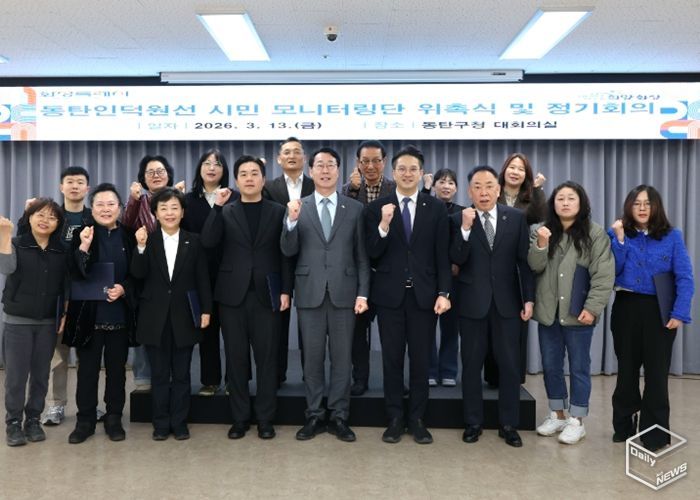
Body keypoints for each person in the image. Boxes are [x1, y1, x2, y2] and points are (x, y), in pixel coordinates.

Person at [281, 147, 370, 442]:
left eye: (331, 165)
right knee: (312, 359)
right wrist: (291, 221)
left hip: (345, 293)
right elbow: (288, 250)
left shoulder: (354, 208)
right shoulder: (298, 206)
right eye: (319, 165)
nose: (325, 170)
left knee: (343, 359)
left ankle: (339, 416)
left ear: (338, 170)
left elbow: (362, 257)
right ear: (310, 171)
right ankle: (314, 415)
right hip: (310, 292)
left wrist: (363, 293)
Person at [365, 145, 451, 445]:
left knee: (420, 360)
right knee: (391, 360)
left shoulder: (436, 208)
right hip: (389, 297)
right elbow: (371, 253)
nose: (407, 173)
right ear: (393, 172)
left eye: (413, 168)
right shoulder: (377, 208)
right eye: (401, 168)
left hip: (424, 298)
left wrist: (444, 292)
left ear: (421, 173)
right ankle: (394, 418)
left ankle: (417, 419)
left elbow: (442, 256)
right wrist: (384, 225)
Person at [201, 156, 292, 440]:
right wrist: (216, 207)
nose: (249, 178)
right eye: (243, 174)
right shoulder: (226, 210)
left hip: (268, 294)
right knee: (236, 359)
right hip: (232, 296)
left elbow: (285, 255)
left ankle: (265, 419)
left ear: (264, 179)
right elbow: (208, 241)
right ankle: (239, 418)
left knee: (267, 360)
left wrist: (286, 290)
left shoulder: (278, 211)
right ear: (236, 180)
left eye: (255, 173)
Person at [450, 165, 534, 448]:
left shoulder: (516, 218)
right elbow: (455, 260)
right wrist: (464, 230)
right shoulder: (457, 219)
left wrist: (528, 298)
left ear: (498, 190)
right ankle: (473, 422)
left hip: (508, 304)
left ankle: (509, 424)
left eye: (489, 186)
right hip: (471, 304)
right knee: (471, 365)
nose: (483, 192)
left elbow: (523, 262)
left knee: (509, 366)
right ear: (469, 191)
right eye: (477, 186)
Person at [528, 181, 614, 444]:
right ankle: (557, 414)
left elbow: (603, 274)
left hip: (579, 313)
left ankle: (577, 419)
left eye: (571, 198)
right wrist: (541, 244)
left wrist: (592, 307)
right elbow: (534, 266)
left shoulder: (595, 233)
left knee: (579, 367)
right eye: (560, 198)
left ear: (581, 203)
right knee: (551, 366)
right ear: (553, 203)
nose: (565, 203)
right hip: (548, 313)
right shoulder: (540, 230)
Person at [609, 185, 694, 451]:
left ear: (656, 207)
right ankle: (623, 426)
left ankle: (654, 434)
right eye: (637, 203)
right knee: (626, 371)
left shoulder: (672, 236)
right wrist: (620, 240)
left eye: (647, 203)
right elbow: (612, 272)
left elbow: (685, 277)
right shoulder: (618, 234)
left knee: (657, 375)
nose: (642, 208)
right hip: (626, 307)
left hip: (660, 311)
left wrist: (679, 313)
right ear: (629, 207)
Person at [131, 188, 212, 441]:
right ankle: (160, 423)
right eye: (163, 208)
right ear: (155, 213)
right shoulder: (148, 240)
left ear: (183, 212)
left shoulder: (194, 241)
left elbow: (203, 279)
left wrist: (206, 310)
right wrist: (140, 247)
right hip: (154, 317)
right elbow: (137, 274)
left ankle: (179, 423)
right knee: (158, 374)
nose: (169, 213)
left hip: (184, 316)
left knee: (181, 374)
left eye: (174, 208)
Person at [17, 166, 93, 426]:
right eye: (69, 181)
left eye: (80, 182)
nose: (75, 186)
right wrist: (26, 215)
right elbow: (25, 241)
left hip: (85, 294)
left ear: (87, 188)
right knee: (57, 355)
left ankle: (88, 406)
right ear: (61, 187)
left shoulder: (93, 217)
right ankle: (56, 405)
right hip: (54, 294)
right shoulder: (50, 215)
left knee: (87, 355)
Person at [64, 183, 137, 444]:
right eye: (100, 204)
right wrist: (83, 247)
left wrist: (124, 288)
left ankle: (113, 418)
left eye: (111, 204)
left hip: (119, 315)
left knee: (117, 372)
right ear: (91, 208)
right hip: (89, 317)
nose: (106, 209)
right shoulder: (81, 233)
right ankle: (84, 421)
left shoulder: (129, 235)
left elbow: (139, 273)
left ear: (120, 208)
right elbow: (74, 273)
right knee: (87, 372)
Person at [1, 199, 67, 447]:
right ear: (29, 218)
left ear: (58, 223)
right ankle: (13, 423)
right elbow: (6, 268)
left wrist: (64, 313)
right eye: (40, 215)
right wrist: (5, 235)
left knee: (41, 375)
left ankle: (33, 420)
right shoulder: (17, 243)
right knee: (16, 377)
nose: (45, 220)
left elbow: (65, 285)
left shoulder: (61, 251)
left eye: (52, 217)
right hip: (17, 321)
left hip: (48, 322)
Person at [485, 153, 547, 388]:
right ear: (504, 170)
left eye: (521, 169)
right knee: (491, 327)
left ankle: (514, 377)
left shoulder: (532, 197)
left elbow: (541, 219)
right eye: (512, 167)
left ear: (526, 175)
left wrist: (537, 190)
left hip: (519, 269)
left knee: (515, 328)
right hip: (492, 267)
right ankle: (493, 377)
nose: (515, 172)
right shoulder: (492, 191)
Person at [122, 155, 183, 392]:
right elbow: (126, 223)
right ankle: (143, 376)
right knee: (145, 325)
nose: (156, 175)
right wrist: (134, 200)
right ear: (143, 178)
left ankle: (174, 374)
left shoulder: (179, 198)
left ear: (168, 174)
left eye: (160, 171)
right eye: (150, 172)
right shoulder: (139, 201)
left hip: (176, 274)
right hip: (146, 272)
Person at [182, 149, 239, 397]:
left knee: (234, 332)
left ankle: (234, 381)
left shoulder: (235, 197)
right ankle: (210, 380)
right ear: (199, 169)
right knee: (207, 331)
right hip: (200, 274)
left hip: (231, 273)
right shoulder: (187, 200)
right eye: (206, 163)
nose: (212, 168)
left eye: (217, 164)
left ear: (224, 170)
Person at [341, 140, 396, 396]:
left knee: (392, 334)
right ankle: (360, 378)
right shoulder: (347, 190)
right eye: (365, 161)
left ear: (384, 162)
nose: (370, 166)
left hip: (387, 271)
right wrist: (353, 191)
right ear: (358, 163)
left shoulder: (395, 189)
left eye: (376, 161)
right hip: (357, 272)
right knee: (357, 333)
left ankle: (394, 380)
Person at [264, 137, 314, 386]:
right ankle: (277, 374)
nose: (292, 156)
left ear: (304, 157)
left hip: (311, 259)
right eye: (287, 152)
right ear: (279, 158)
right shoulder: (268, 187)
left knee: (310, 323)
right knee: (277, 321)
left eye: (297, 151)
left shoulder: (316, 184)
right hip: (278, 260)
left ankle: (311, 375)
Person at [422, 168, 465, 387]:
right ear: (434, 185)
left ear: (456, 188)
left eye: (451, 183)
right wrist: (425, 190)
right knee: (427, 327)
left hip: (455, 277)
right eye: (441, 181)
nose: (446, 186)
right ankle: (429, 370)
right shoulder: (426, 206)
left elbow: (466, 243)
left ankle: (448, 370)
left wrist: (457, 264)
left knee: (451, 328)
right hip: (429, 276)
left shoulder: (464, 212)